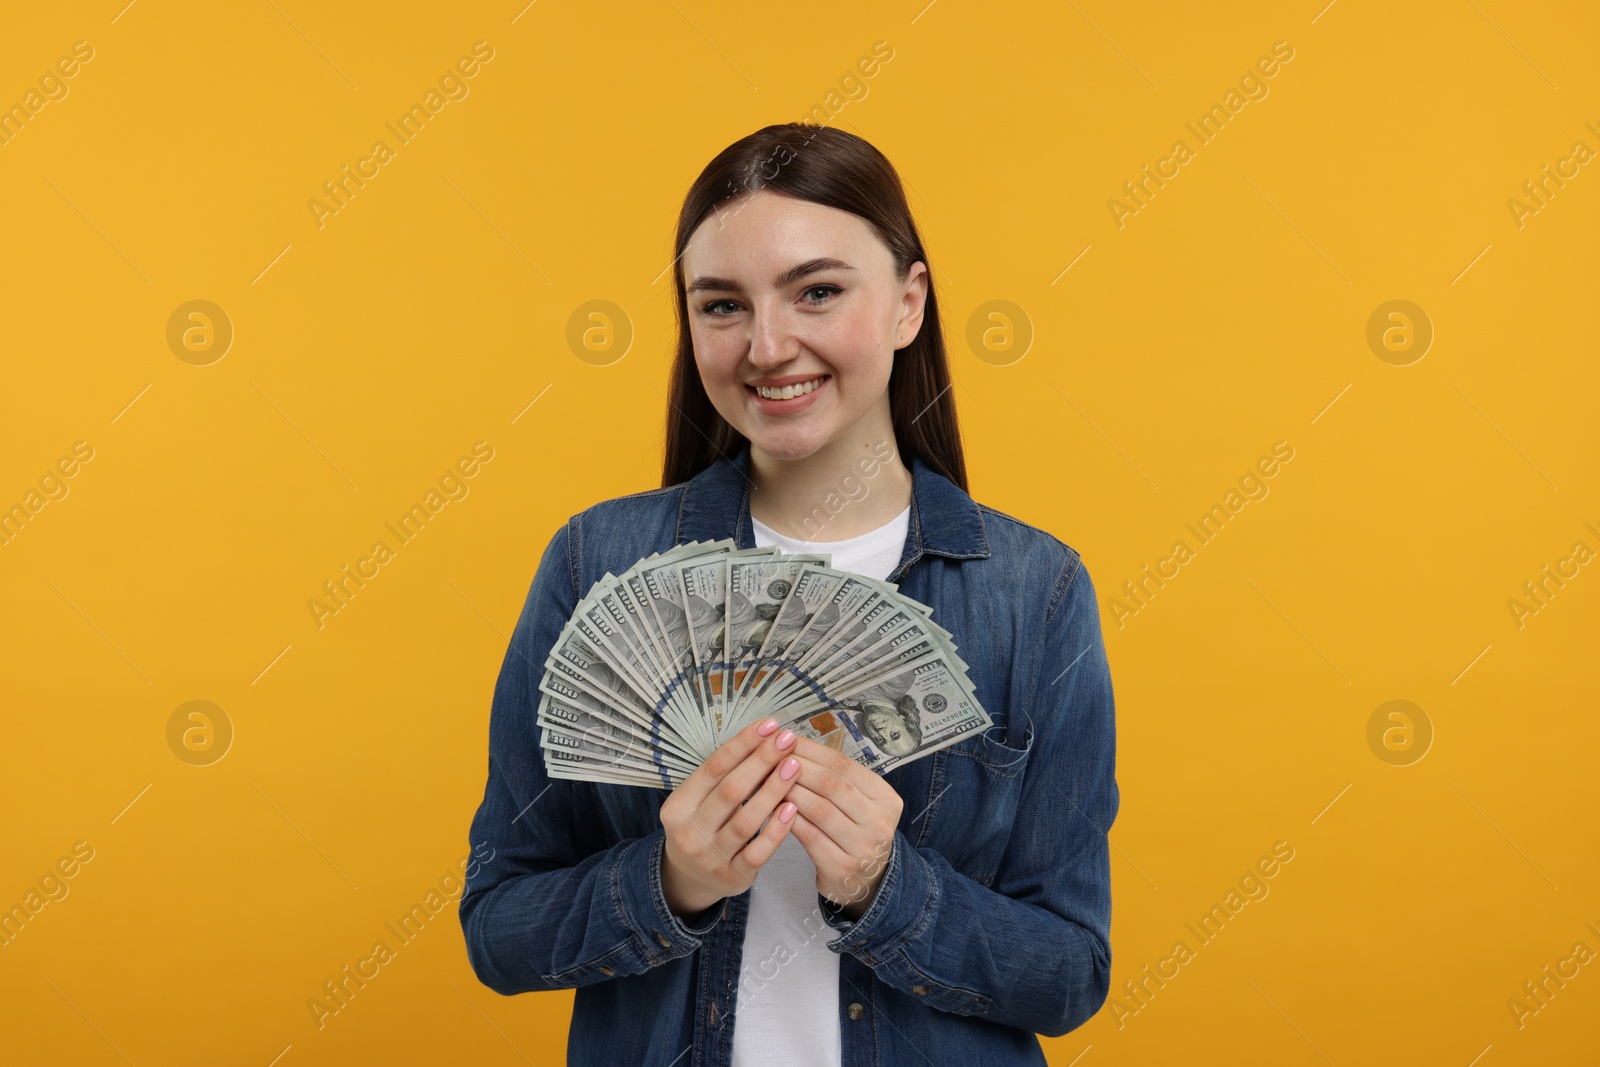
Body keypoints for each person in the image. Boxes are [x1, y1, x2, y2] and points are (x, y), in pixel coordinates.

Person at [460, 123, 1118, 1066]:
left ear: (908, 302)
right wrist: (669, 880)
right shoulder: (592, 560)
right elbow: (498, 928)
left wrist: (888, 886)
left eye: (817, 291)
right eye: (722, 305)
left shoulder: (1034, 593)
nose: (769, 346)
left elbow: (1069, 974)